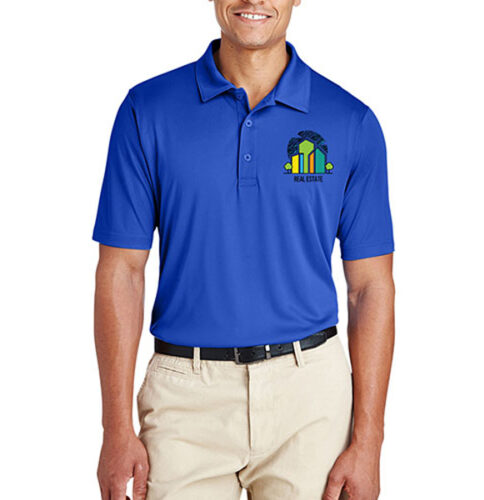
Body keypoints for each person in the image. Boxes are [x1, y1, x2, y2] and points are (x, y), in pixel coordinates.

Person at [92, 1, 395, 499]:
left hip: (310, 401)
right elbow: (121, 271)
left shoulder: (350, 121)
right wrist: (114, 428)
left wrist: (369, 441)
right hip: (183, 402)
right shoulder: (146, 110)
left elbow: (370, 289)